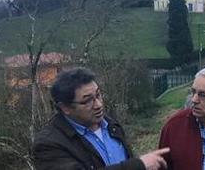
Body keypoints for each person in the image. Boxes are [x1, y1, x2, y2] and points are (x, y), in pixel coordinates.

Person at [33, 67, 169, 170]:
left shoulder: (111, 125)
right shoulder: (48, 144)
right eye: (87, 101)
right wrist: (137, 165)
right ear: (65, 108)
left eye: (98, 95)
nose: (98, 105)